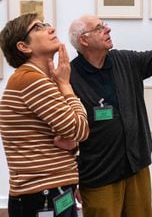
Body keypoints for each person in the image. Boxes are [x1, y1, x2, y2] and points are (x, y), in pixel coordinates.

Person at [67, 0, 152, 217]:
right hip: (98, 174)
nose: (107, 29)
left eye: (104, 24)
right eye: (99, 28)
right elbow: (65, 131)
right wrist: (72, 178)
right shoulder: (70, 77)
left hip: (135, 165)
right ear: (83, 40)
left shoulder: (125, 61)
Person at [0, 13, 90, 217]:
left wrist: (73, 143)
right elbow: (80, 128)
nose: (50, 29)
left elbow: (68, 135)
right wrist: (66, 85)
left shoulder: (40, 79)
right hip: (41, 194)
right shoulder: (31, 80)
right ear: (24, 46)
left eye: (47, 24)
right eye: (38, 27)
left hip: (49, 190)